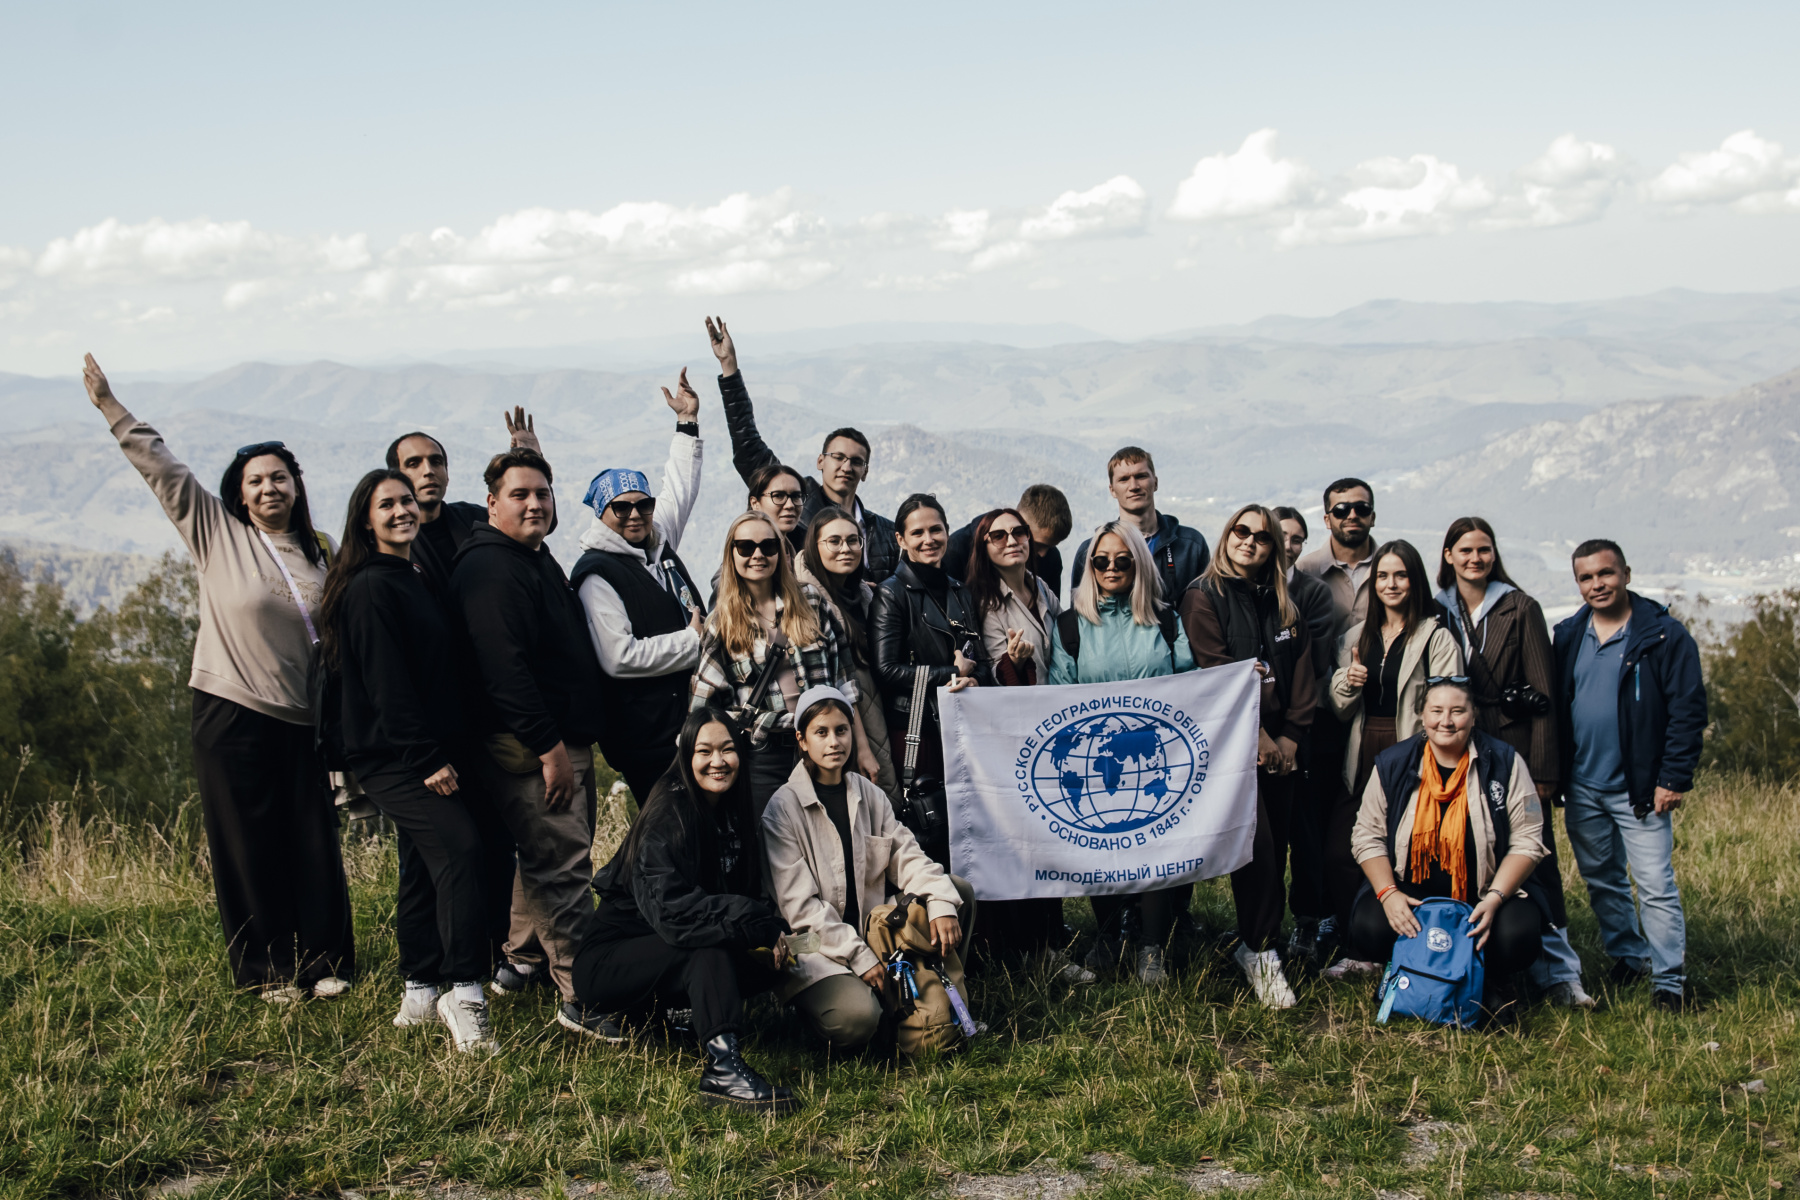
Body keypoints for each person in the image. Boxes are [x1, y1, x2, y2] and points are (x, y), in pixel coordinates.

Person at [83, 354, 354, 1003]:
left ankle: (326, 961)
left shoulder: (321, 552)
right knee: (248, 844)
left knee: (312, 841)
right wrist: (113, 409)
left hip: (304, 720)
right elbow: (164, 471)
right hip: (231, 712)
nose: (269, 489)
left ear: (297, 485)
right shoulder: (217, 533)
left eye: (279, 477)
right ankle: (267, 971)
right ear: (240, 492)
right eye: (256, 481)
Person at [319, 470, 511, 1053]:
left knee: (423, 863)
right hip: (397, 755)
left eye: (406, 501)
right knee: (460, 849)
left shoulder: (414, 574)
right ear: (365, 519)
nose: (402, 510)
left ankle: (420, 987)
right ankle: (464, 991)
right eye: (388, 504)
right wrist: (427, 758)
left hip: (432, 748)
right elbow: (388, 684)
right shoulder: (369, 588)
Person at [450, 447, 609, 1037]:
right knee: (562, 868)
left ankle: (521, 958)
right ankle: (582, 996)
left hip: (558, 739)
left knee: (545, 855)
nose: (535, 504)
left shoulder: (527, 554)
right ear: (492, 504)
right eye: (520, 495)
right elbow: (505, 672)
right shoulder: (491, 570)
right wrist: (550, 751)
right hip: (532, 749)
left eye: (543, 493)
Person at [574, 711, 798, 1112]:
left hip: (659, 950)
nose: (718, 761)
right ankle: (723, 1070)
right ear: (686, 756)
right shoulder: (668, 813)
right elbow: (675, 915)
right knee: (708, 945)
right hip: (609, 963)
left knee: (764, 965)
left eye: (727, 749)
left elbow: (741, 892)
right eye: (704, 751)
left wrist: (772, 931)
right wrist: (757, 923)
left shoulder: (731, 808)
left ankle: (664, 1017)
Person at [763, 687, 975, 1050]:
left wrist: (940, 902)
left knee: (956, 892)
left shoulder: (869, 794)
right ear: (802, 740)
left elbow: (908, 856)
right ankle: (831, 1013)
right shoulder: (782, 810)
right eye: (821, 732)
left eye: (842, 730)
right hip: (819, 947)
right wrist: (858, 955)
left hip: (874, 933)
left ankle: (943, 994)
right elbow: (801, 910)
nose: (834, 742)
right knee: (857, 1019)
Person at [1436, 517, 1591, 1009]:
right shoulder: (1436, 609)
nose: (1474, 558)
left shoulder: (1519, 607)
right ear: (1448, 555)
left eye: (1483, 549)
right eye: (1465, 550)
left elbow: (1543, 695)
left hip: (1513, 745)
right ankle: (1469, 963)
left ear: (1494, 554)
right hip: (1454, 749)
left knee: (1535, 858)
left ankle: (1560, 973)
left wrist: (1544, 771)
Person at [1553, 540, 1706, 1012]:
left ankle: (1669, 983)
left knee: (1655, 886)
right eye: (1586, 577)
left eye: (1606, 573)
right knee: (1603, 880)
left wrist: (1673, 777)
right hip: (1582, 786)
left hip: (1640, 789)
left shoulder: (1663, 636)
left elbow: (1687, 711)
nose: (1597, 584)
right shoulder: (1569, 635)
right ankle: (1629, 956)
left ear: (1626, 574)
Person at [1349, 678, 1551, 1026]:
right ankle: (1409, 965)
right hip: (1414, 896)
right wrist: (1388, 894)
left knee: (1518, 936)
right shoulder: (1393, 762)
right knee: (1368, 926)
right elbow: (1366, 835)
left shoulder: (1504, 761)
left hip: (1481, 895)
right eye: (1437, 710)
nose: (1446, 721)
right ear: (1422, 715)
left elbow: (1528, 839)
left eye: (1457, 711)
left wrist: (1496, 898)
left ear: (1473, 716)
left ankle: (1486, 979)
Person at [1180, 504, 1318, 1009]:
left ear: (1273, 548)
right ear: (1227, 535)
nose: (1249, 541)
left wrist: (1291, 737)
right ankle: (1260, 951)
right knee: (1255, 845)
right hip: (1231, 747)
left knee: (1276, 847)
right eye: (1241, 531)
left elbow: (1304, 673)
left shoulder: (1285, 604)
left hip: (1281, 746)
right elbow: (1215, 670)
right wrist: (1257, 737)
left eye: (1262, 537)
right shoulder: (1203, 595)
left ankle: (1258, 939)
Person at [1048, 519, 1197, 986]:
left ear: (1139, 564)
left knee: (1156, 845)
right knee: (1102, 841)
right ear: (1089, 566)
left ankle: (1151, 947)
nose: (1111, 568)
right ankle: (1110, 934)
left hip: (1157, 756)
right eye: (1101, 561)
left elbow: (1192, 682)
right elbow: (1058, 693)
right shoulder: (1069, 626)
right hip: (1099, 758)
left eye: (1122, 560)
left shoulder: (1165, 620)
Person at [962, 508, 1092, 982]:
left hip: (1055, 724)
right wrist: (1014, 664)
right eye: (997, 535)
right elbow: (992, 675)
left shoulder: (1043, 590)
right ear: (984, 546)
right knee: (1025, 843)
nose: (1010, 540)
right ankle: (1034, 950)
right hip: (1015, 738)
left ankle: (1051, 940)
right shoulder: (983, 601)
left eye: (1018, 531)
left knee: (1052, 836)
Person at [1322, 540, 1462, 978]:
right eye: (1382, 576)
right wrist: (1348, 681)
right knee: (1341, 852)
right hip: (1363, 749)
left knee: (1405, 853)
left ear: (1415, 580)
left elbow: (1451, 704)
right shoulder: (1354, 638)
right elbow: (1339, 708)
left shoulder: (1436, 637)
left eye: (1400, 575)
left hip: (1413, 753)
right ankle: (1357, 947)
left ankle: (1407, 947)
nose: (1391, 584)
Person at [572, 371, 708, 802]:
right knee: (669, 823)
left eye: (643, 504)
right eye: (621, 508)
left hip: (688, 724)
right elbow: (619, 657)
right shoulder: (597, 575)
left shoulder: (656, 541)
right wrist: (692, 642)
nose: (635, 514)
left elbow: (680, 489)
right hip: (647, 739)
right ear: (602, 513)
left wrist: (687, 423)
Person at [691, 510, 869, 818]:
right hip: (764, 754)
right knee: (772, 840)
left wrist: (862, 748)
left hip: (823, 747)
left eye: (768, 546)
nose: (758, 554)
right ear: (731, 554)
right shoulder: (722, 623)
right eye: (746, 547)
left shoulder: (810, 601)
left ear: (780, 551)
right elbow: (703, 708)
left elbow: (844, 683)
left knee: (832, 834)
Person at [711, 316, 900, 581]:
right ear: (820, 461)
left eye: (856, 461)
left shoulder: (885, 533)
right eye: (838, 457)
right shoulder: (797, 504)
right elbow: (748, 446)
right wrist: (729, 368)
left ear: (866, 471)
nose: (846, 466)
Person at [870, 493, 992, 799]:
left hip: (962, 724)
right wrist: (952, 673)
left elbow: (981, 659)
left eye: (936, 529)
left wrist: (975, 680)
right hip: (917, 729)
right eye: (917, 532)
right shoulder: (891, 594)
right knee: (926, 816)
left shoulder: (960, 590)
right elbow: (885, 670)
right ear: (900, 539)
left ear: (947, 532)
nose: (929, 539)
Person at [1271, 505, 1339, 965]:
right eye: (1282, 536)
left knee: (1305, 831)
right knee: (1266, 835)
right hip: (1255, 728)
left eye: (1297, 539)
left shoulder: (1312, 593)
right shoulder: (1244, 589)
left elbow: (1312, 662)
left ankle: (1307, 921)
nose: (1289, 546)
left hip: (1303, 725)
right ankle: (1263, 924)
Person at [797, 505, 899, 799]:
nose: (846, 549)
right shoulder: (807, 604)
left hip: (878, 714)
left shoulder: (866, 595)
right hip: (844, 730)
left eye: (853, 540)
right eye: (834, 541)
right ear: (815, 546)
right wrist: (862, 746)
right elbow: (833, 685)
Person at [385, 408, 542, 591]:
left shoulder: (476, 520)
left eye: (436, 462)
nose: (428, 471)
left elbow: (533, 524)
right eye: (413, 464)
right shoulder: (388, 542)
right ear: (395, 478)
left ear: (447, 475)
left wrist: (532, 464)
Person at [1069, 448, 1210, 603]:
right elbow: (1080, 610)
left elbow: (1205, 606)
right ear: (1112, 490)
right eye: (1124, 479)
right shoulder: (1092, 551)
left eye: (1141, 476)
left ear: (1155, 483)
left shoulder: (1190, 545)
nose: (1134, 486)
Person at [946, 484, 1074, 600]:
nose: (1043, 554)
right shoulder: (957, 551)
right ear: (1019, 523)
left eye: (1051, 547)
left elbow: (1052, 614)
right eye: (1038, 545)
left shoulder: (1051, 558)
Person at [745, 463, 809, 553]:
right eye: (778, 496)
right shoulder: (746, 554)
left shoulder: (807, 550)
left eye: (796, 496)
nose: (790, 505)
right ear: (755, 503)